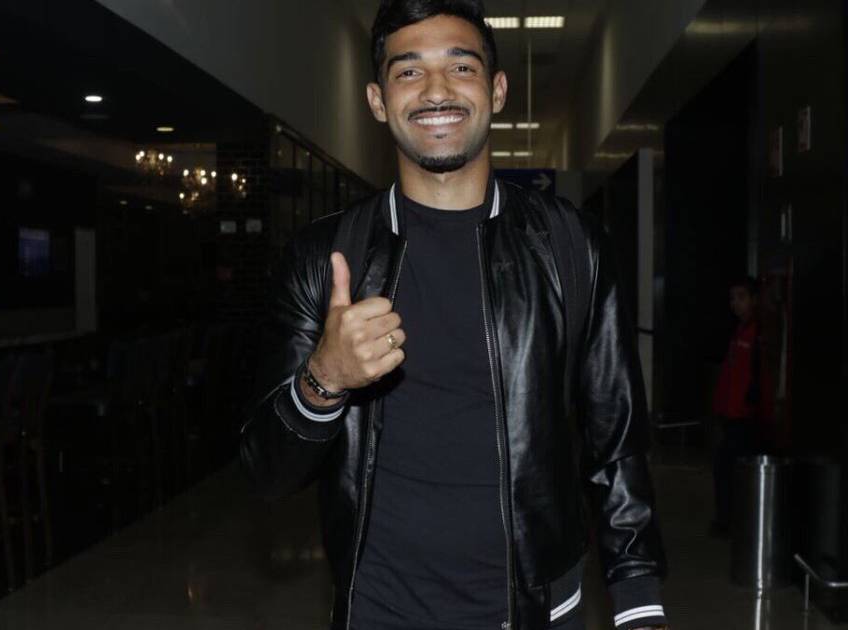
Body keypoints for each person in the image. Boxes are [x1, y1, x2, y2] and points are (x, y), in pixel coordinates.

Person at [238, 1, 669, 628]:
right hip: (379, 612)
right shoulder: (325, 258)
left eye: (461, 66)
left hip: (537, 610)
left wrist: (639, 604)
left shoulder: (571, 247)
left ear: (497, 90)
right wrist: (323, 380)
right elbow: (267, 473)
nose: (436, 90)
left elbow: (616, 441)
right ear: (378, 100)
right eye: (409, 71)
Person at [709, 276, 762, 538]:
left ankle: (734, 522)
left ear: (754, 299)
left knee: (733, 471)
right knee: (724, 469)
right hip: (731, 415)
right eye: (733, 298)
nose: (736, 304)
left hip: (746, 418)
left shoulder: (758, 334)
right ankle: (727, 520)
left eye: (741, 297)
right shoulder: (739, 332)